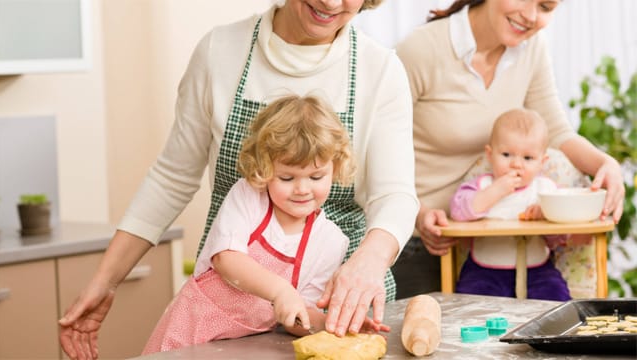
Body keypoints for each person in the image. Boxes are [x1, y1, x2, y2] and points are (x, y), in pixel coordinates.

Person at [59, 1, 419, 359]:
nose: (330, 2)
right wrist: (105, 281)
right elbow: (172, 177)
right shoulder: (222, 51)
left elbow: (395, 196)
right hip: (229, 313)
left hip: (337, 307)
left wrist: (367, 264)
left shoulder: (379, 70)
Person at [394, 0, 624, 285]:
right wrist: (419, 215)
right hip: (422, 242)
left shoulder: (532, 48)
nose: (530, 16)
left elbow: (556, 132)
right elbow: (373, 154)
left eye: (545, 7)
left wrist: (607, 164)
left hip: (494, 239)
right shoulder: (422, 49)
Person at [142, 94, 387, 354]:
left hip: (242, 349)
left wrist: (332, 324)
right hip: (188, 334)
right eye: (286, 177)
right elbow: (226, 259)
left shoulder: (330, 241)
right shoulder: (248, 198)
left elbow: (298, 313)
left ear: (335, 167)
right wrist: (281, 291)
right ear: (264, 167)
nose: (302, 189)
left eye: (316, 176)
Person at [449, 108, 570, 300]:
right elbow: (457, 211)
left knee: (557, 297)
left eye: (528, 158)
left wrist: (546, 214)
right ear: (490, 154)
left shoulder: (546, 191)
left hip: (537, 270)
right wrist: (494, 192)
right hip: (484, 270)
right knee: (469, 302)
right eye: (506, 155)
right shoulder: (482, 186)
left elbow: (561, 237)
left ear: (542, 161)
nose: (516, 164)